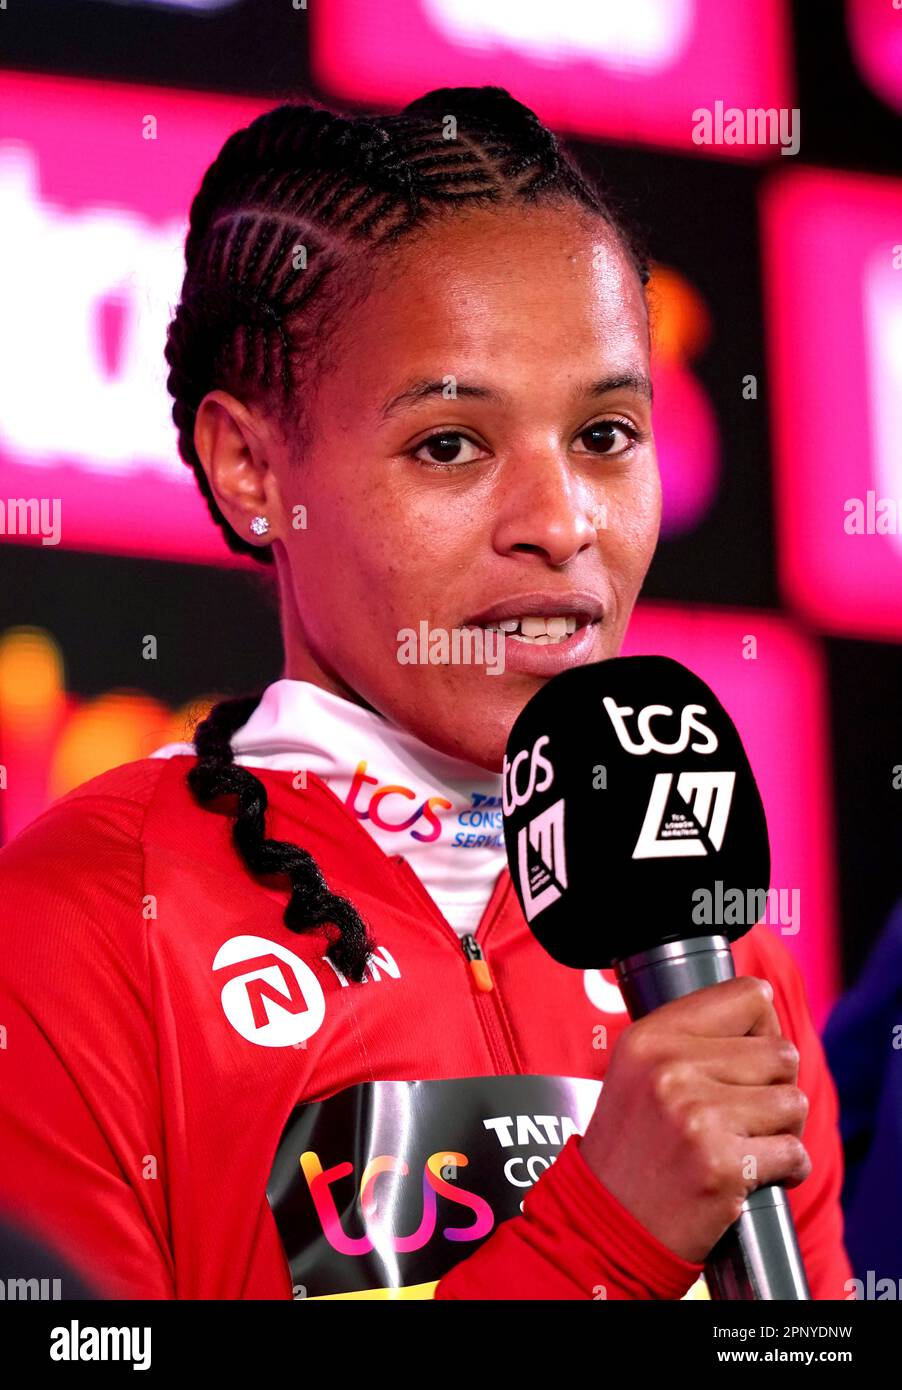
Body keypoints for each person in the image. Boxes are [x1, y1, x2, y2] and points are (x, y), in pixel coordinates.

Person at [0, 85, 851, 1300]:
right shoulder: (74, 927)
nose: (561, 525)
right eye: (450, 444)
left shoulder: (716, 953)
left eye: (605, 434)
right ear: (250, 467)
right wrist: (603, 1233)